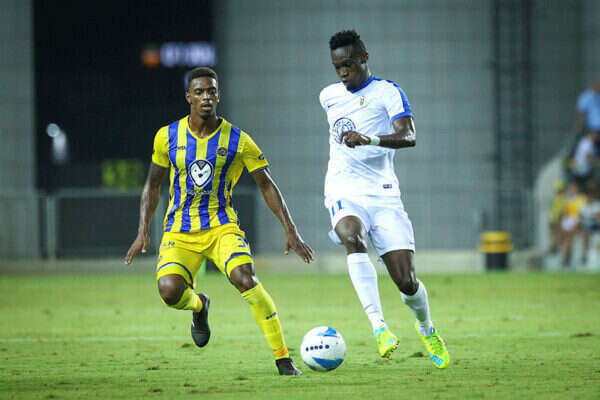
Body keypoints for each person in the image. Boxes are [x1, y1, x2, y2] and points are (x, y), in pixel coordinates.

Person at [125, 67, 313, 376]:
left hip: (221, 227)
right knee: (169, 292)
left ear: (218, 95)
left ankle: (283, 360)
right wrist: (142, 230)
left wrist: (291, 230)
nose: (206, 97)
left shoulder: (238, 140)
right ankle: (200, 305)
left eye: (211, 91)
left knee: (246, 279)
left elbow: (266, 185)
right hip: (180, 231)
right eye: (199, 92)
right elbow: (153, 184)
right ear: (189, 97)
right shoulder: (167, 136)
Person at [318, 30, 449, 368]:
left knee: (406, 282)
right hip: (343, 190)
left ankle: (426, 327)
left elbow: (409, 136)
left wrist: (369, 139)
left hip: (384, 195)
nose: (342, 72)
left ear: (364, 58)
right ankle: (379, 327)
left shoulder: (387, 92)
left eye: (348, 64)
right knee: (351, 235)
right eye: (337, 67)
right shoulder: (328, 96)